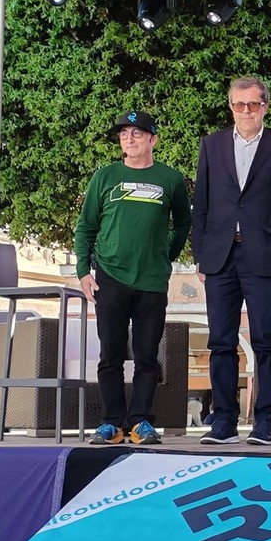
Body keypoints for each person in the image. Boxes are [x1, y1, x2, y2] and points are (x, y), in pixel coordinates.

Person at [192, 77, 271, 446]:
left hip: (266, 256)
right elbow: (201, 204)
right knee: (221, 342)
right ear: (231, 107)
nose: (246, 111)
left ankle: (266, 419)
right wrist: (201, 255)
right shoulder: (212, 145)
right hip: (220, 257)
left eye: (253, 104)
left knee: (267, 341)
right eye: (239, 104)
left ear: (265, 106)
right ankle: (224, 420)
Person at [75, 111, 191, 445]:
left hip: (152, 281)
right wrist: (83, 272)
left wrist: (165, 255)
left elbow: (183, 223)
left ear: (153, 139)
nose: (129, 139)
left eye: (137, 133)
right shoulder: (105, 177)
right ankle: (111, 423)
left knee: (147, 356)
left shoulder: (170, 179)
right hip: (110, 278)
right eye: (124, 134)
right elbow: (85, 227)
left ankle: (140, 421)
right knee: (110, 355)